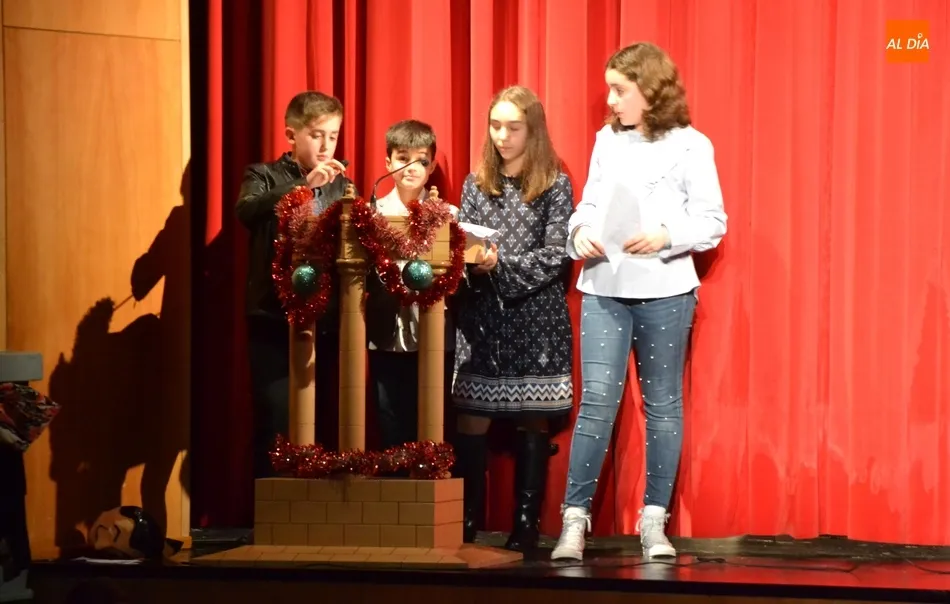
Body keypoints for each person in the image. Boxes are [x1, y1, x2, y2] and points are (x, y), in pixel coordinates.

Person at [550, 42, 727, 561]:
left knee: (663, 406)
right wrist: (580, 231)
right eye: (610, 89)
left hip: (665, 290)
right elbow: (589, 204)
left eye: (619, 90)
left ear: (650, 91)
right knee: (596, 404)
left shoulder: (692, 145)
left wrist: (666, 235)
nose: (610, 100)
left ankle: (654, 522)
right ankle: (573, 522)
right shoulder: (607, 140)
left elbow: (713, 221)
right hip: (605, 286)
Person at [451, 86, 574, 551]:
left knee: (532, 419)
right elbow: (462, 243)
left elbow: (556, 254)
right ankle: (465, 521)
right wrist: (474, 261)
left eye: (513, 127)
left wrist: (500, 264)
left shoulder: (555, 183)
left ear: (532, 130)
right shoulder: (475, 182)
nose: (502, 136)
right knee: (472, 418)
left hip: (536, 319)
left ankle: (526, 525)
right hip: (483, 318)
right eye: (495, 125)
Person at [235, 91, 355, 478]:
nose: (326, 146)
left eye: (333, 136)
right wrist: (302, 186)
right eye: (317, 135)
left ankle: (315, 505)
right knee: (275, 418)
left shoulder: (342, 184)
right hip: (272, 315)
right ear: (291, 135)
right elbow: (247, 211)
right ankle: (270, 504)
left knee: (321, 421)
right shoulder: (262, 175)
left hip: (325, 320)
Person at [364, 119, 456, 449]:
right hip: (387, 334)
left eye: (421, 159)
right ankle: (395, 478)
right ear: (388, 162)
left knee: (432, 421)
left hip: (434, 335)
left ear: (431, 167)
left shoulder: (447, 214)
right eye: (403, 158)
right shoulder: (371, 214)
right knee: (390, 419)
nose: (411, 167)